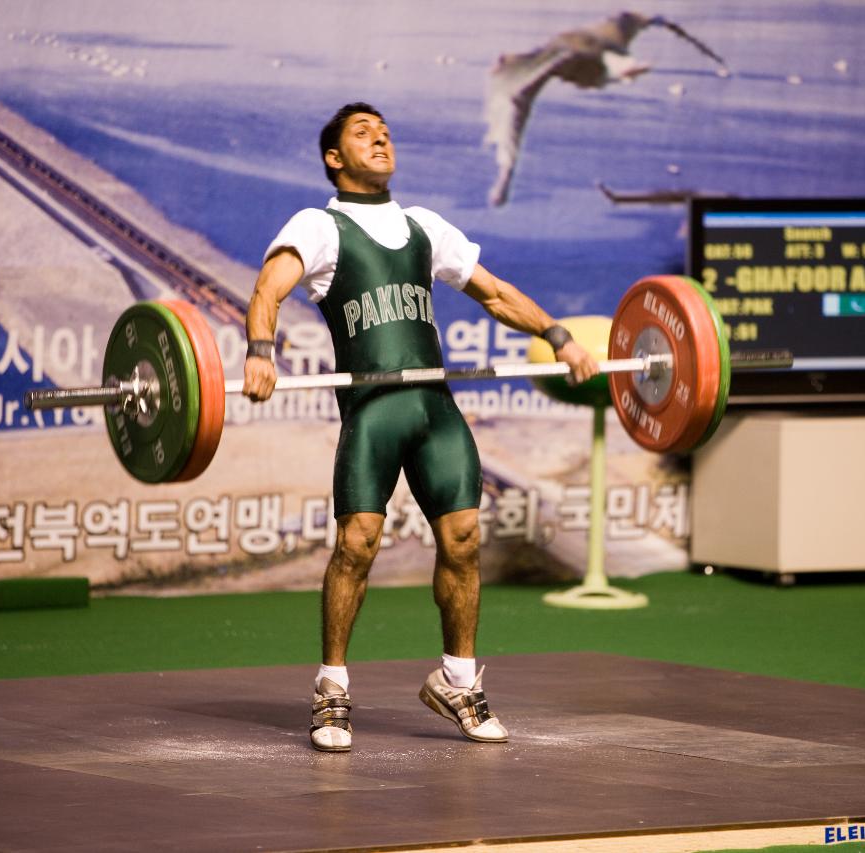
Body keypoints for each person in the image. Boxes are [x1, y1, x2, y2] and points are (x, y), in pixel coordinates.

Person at [242, 102, 598, 752]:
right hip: (374, 412)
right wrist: (261, 351)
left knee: (463, 539)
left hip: (434, 409)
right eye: (362, 131)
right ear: (334, 157)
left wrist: (558, 335)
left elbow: (492, 292)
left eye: (384, 130)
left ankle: (457, 680)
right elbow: (270, 287)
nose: (379, 136)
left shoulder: (421, 225)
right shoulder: (319, 226)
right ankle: (331, 689)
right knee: (358, 545)